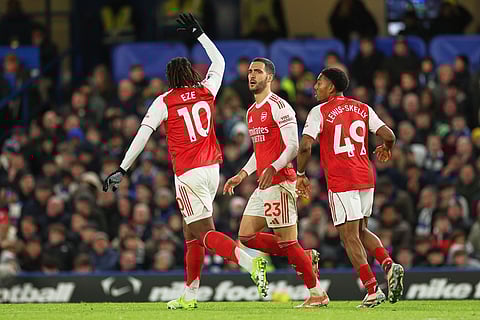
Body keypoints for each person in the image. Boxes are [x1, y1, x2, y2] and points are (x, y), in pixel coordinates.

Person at [103, 13, 268, 310]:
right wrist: (200, 35)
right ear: (191, 72)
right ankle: (190, 294)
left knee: (203, 232)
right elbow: (220, 62)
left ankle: (249, 262)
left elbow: (142, 135)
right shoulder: (207, 90)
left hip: (188, 173)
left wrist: (122, 168)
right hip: (212, 169)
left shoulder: (164, 100)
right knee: (190, 232)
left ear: (170, 79)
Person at [223, 57, 328, 308]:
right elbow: (259, 151)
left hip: (280, 181)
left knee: (287, 242)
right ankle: (303, 257)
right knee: (246, 236)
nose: (252, 76)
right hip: (263, 183)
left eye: (257, 72)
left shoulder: (280, 106)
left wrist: (273, 167)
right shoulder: (250, 112)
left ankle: (317, 293)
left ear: (269, 77)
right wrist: (242, 174)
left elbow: (293, 146)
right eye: (249, 71)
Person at [295, 67, 404, 308]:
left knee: (349, 236)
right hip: (366, 176)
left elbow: (304, 146)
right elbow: (390, 134)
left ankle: (372, 290)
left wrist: (300, 173)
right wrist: (387, 149)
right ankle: (387, 264)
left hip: (341, 179)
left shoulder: (319, 111)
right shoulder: (363, 107)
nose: (315, 87)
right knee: (362, 230)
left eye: (319, 82)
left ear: (331, 86)